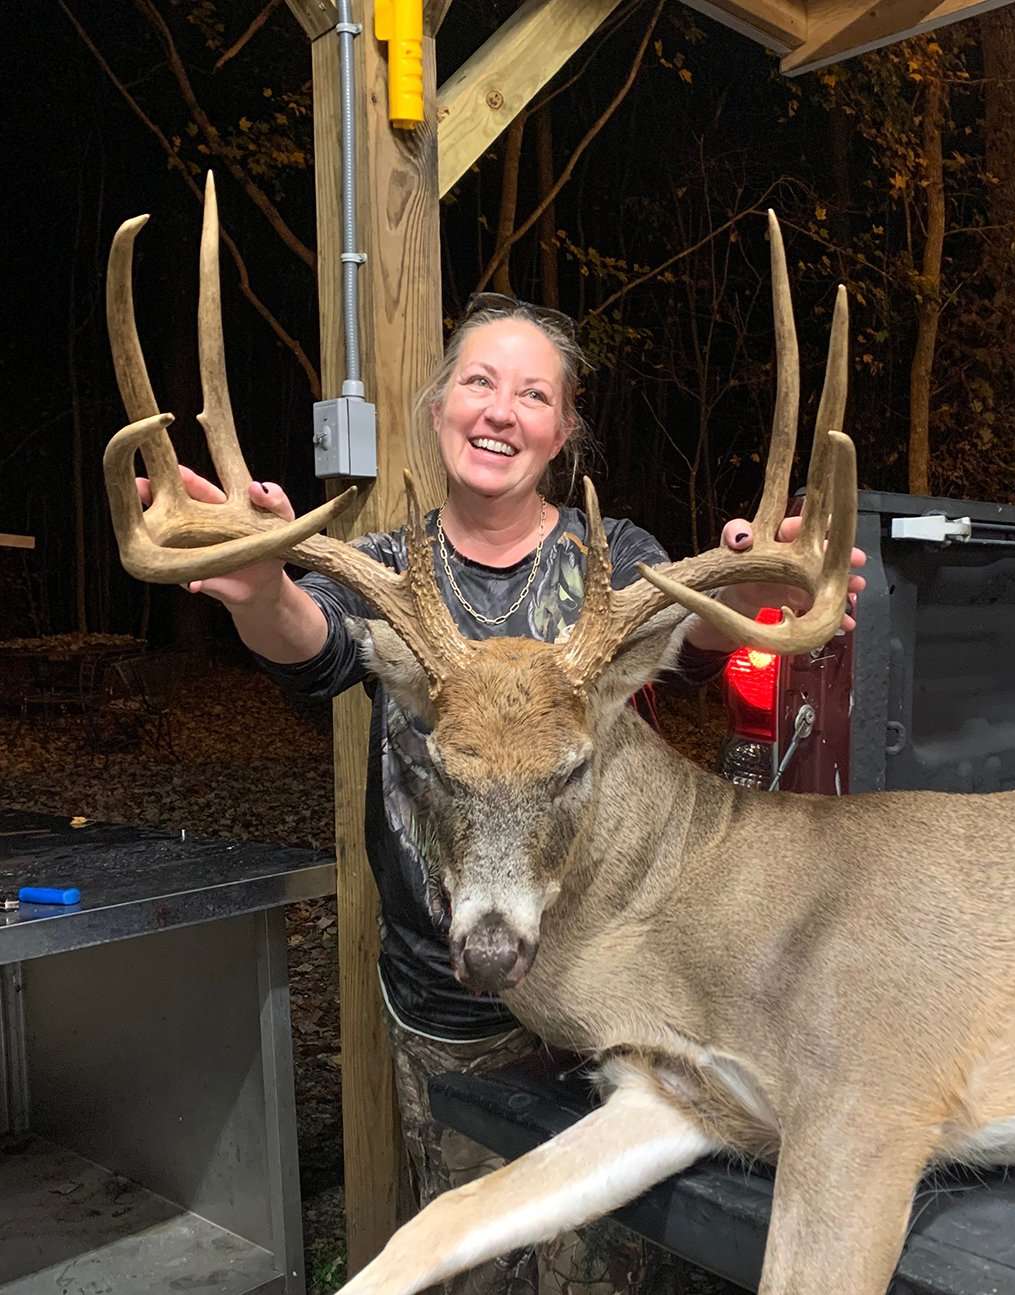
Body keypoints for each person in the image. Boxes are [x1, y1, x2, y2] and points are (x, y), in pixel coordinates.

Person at [146, 292, 867, 1295]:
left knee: (604, 1264)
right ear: (439, 408)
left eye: (534, 394)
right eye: (479, 383)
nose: (501, 411)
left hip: (625, 988)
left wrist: (741, 601)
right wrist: (265, 589)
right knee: (474, 1253)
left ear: (563, 429)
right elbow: (317, 646)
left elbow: (692, 647)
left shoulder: (617, 564)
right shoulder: (391, 566)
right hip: (457, 994)